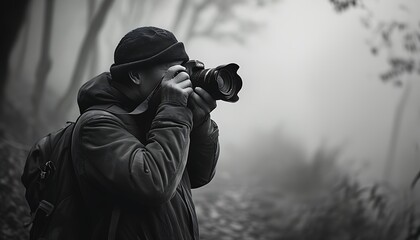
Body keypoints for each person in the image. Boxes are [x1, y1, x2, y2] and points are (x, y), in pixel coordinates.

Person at [71, 26, 220, 240]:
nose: (181, 78)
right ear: (135, 75)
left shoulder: (157, 115)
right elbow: (154, 184)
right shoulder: (96, 125)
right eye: (171, 70)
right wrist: (174, 108)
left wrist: (199, 121)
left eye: (181, 69)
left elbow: (199, 175)